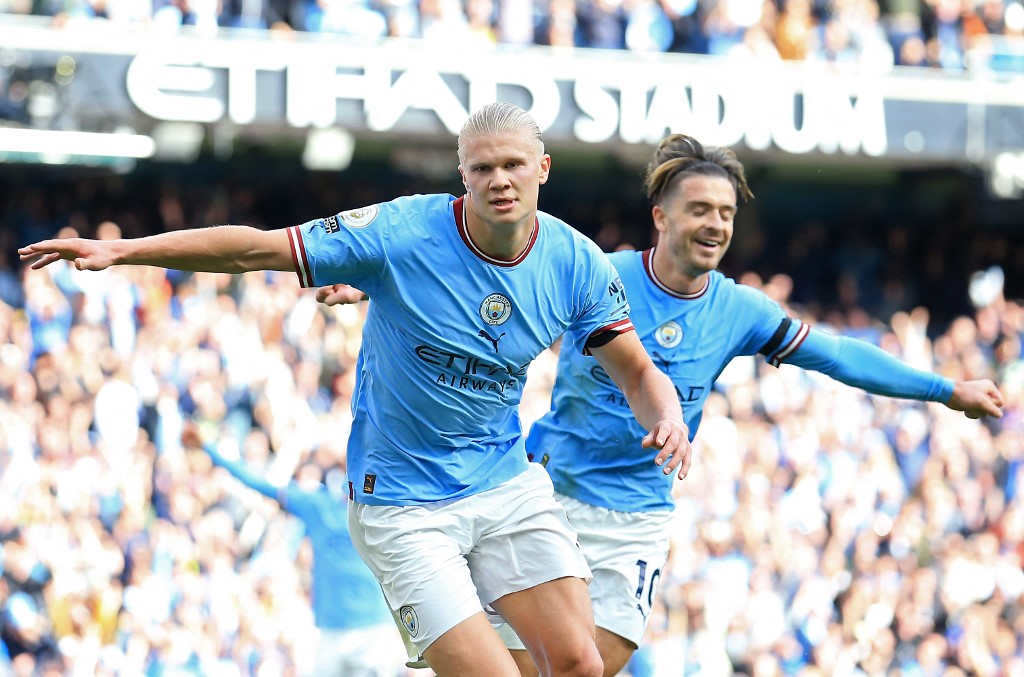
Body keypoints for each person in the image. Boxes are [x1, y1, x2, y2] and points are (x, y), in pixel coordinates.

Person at [19, 101, 692, 677]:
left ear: (541, 168)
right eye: (482, 167)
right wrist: (126, 250)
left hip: (501, 481)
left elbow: (636, 368)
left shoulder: (575, 262)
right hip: (402, 503)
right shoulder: (400, 232)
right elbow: (255, 249)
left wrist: (667, 416)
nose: (499, 180)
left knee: (579, 662)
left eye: (513, 164)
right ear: (463, 176)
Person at [319, 132, 1006, 677]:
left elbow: (835, 353)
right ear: (662, 217)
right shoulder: (594, 272)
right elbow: (464, 286)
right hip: (544, 496)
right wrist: (374, 286)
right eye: (700, 209)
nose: (715, 224)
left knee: (594, 664)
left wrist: (945, 390)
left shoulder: (738, 309)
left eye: (727, 214)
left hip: (637, 518)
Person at [179, 425, 407, 677]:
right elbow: (258, 483)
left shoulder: (385, 508)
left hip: (374, 632)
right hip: (330, 633)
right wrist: (208, 448)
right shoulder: (317, 504)